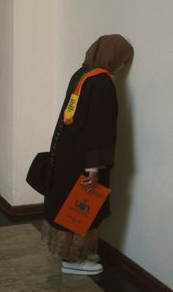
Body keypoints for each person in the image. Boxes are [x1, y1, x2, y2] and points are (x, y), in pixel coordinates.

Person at [41, 34, 134, 275]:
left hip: (67, 152)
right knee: (81, 205)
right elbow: (99, 127)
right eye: (124, 60)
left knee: (67, 203)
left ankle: (73, 253)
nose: (123, 65)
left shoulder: (81, 75)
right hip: (84, 159)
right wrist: (94, 167)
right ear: (113, 57)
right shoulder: (102, 82)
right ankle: (73, 260)